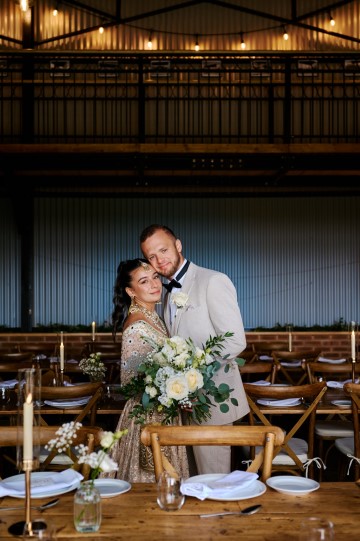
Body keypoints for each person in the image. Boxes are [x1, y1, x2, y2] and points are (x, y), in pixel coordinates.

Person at [140, 224, 249, 475]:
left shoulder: (213, 281)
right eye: (151, 257)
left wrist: (192, 378)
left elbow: (235, 341)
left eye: (163, 250)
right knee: (190, 478)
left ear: (178, 245)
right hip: (182, 403)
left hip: (213, 401)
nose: (159, 260)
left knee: (213, 480)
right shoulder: (164, 293)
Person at [102, 258, 189, 482]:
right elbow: (131, 383)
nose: (154, 284)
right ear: (131, 291)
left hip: (165, 412)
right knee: (152, 482)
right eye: (144, 281)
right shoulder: (136, 326)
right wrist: (168, 388)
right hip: (147, 417)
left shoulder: (154, 317)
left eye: (155, 277)